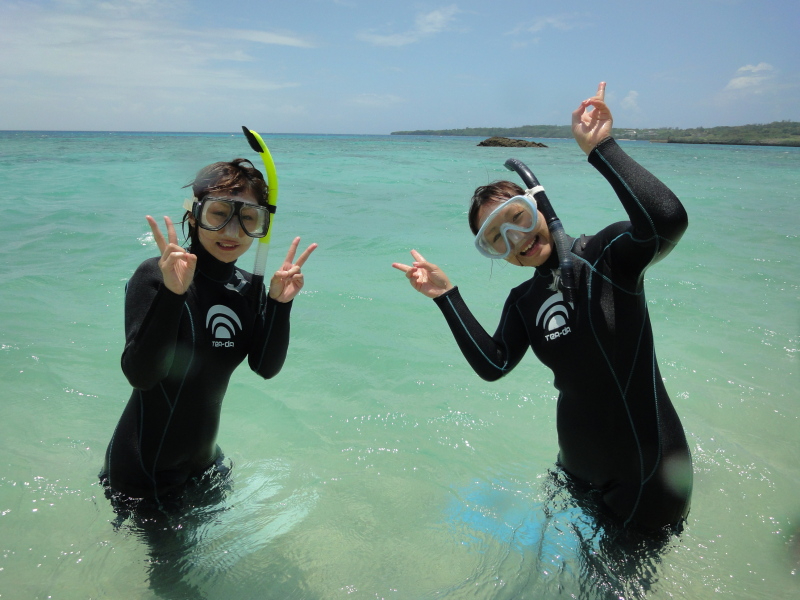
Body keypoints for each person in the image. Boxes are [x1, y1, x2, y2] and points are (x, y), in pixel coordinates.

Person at [393, 82, 692, 531]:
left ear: (538, 205)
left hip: (647, 477)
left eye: (518, 218)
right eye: (496, 239)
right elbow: (494, 364)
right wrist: (445, 296)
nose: (516, 239)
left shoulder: (606, 257)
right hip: (574, 473)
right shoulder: (523, 301)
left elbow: (667, 219)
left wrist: (602, 149)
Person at [100, 158, 317, 507]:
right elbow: (140, 375)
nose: (232, 232)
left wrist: (280, 304)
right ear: (194, 215)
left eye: (248, 218)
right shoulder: (157, 275)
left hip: (207, 465)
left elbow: (265, 367)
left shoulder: (248, 287)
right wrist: (173, 295)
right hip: (145, 475)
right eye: (219, 214)